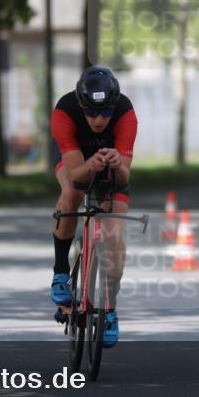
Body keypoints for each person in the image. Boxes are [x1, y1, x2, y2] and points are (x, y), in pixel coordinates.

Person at [49, 66, 137, 348]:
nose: (99, 120)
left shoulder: (125, 113)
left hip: (111, 169)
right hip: (75, 162)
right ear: (82, 105)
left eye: (105, 113)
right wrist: (91, 164)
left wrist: (116, 164)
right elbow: (76, 175)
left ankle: (109, 309)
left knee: (115, 235)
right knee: (71, 196)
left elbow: (125, 177)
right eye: (91, 113)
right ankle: (61, 271)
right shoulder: (64, 111)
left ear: (114, 106)